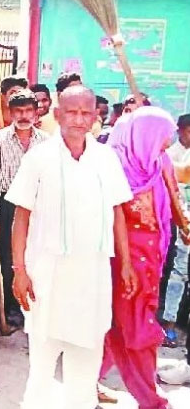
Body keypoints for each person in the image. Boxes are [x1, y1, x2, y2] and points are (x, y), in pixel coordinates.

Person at [7, 85, 137, 408]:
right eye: (71, 112)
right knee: (41, 372)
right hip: (47, 278)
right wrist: (19, 270)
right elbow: (20, 217)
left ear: (95, 117)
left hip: (91, 279)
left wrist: (126, 263)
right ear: (56, 115)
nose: (78, 120)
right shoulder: (39, 158)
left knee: (84, 371)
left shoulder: (106, 159)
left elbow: (117, 212)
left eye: (85, 113)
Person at [99, 107, 182, 409]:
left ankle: (85, 383)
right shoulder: (113, 168)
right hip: (123, 262)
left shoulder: (158, 164)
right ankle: (151, 399)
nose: (166, 145)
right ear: (145, 136)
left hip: (152, 259)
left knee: (119, 327)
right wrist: (125, 264)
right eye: (162, 137)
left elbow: (172, 205)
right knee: (137, 329)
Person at [0, 89, 48, 328]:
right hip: (7, 205)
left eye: (28, 110)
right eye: (18, 111)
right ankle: (9, 308)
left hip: (38, 206)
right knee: (10, 258)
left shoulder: (46, 142)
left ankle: (33, 304)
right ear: (10, 113)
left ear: (36, 112)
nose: (23, 115)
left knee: (36, 255)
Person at [160, 113, 190, 347]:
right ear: (180, 130)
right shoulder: (167, 157)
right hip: (177, 224)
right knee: (177, 275)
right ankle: (168, 324)